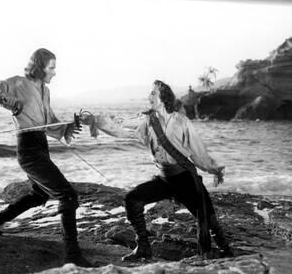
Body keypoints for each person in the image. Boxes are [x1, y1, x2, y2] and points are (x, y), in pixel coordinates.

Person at [82, 80, 233, 261]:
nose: (149, 96)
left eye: (153, 93)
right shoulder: (147, 120)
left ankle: (225, 250)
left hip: (184, 179)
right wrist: (94, 120)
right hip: (164, 180)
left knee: (209, 219)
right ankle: (143, 247)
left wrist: (213, 169)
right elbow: (120, 124)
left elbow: (197, 150)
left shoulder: (181, 121)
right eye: (150, 93)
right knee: (132, 199)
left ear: (163, 97)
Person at [0, 48, 94, 267]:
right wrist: (7, 99)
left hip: (41, 146)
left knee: (39, 194)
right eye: (52, 68)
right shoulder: (16, 83)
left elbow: (50, 123)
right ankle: (72, 255)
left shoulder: (45, 91)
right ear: (39, 67)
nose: (55, 73)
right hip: (28, 149)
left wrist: (70, 126)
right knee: (67, 196)